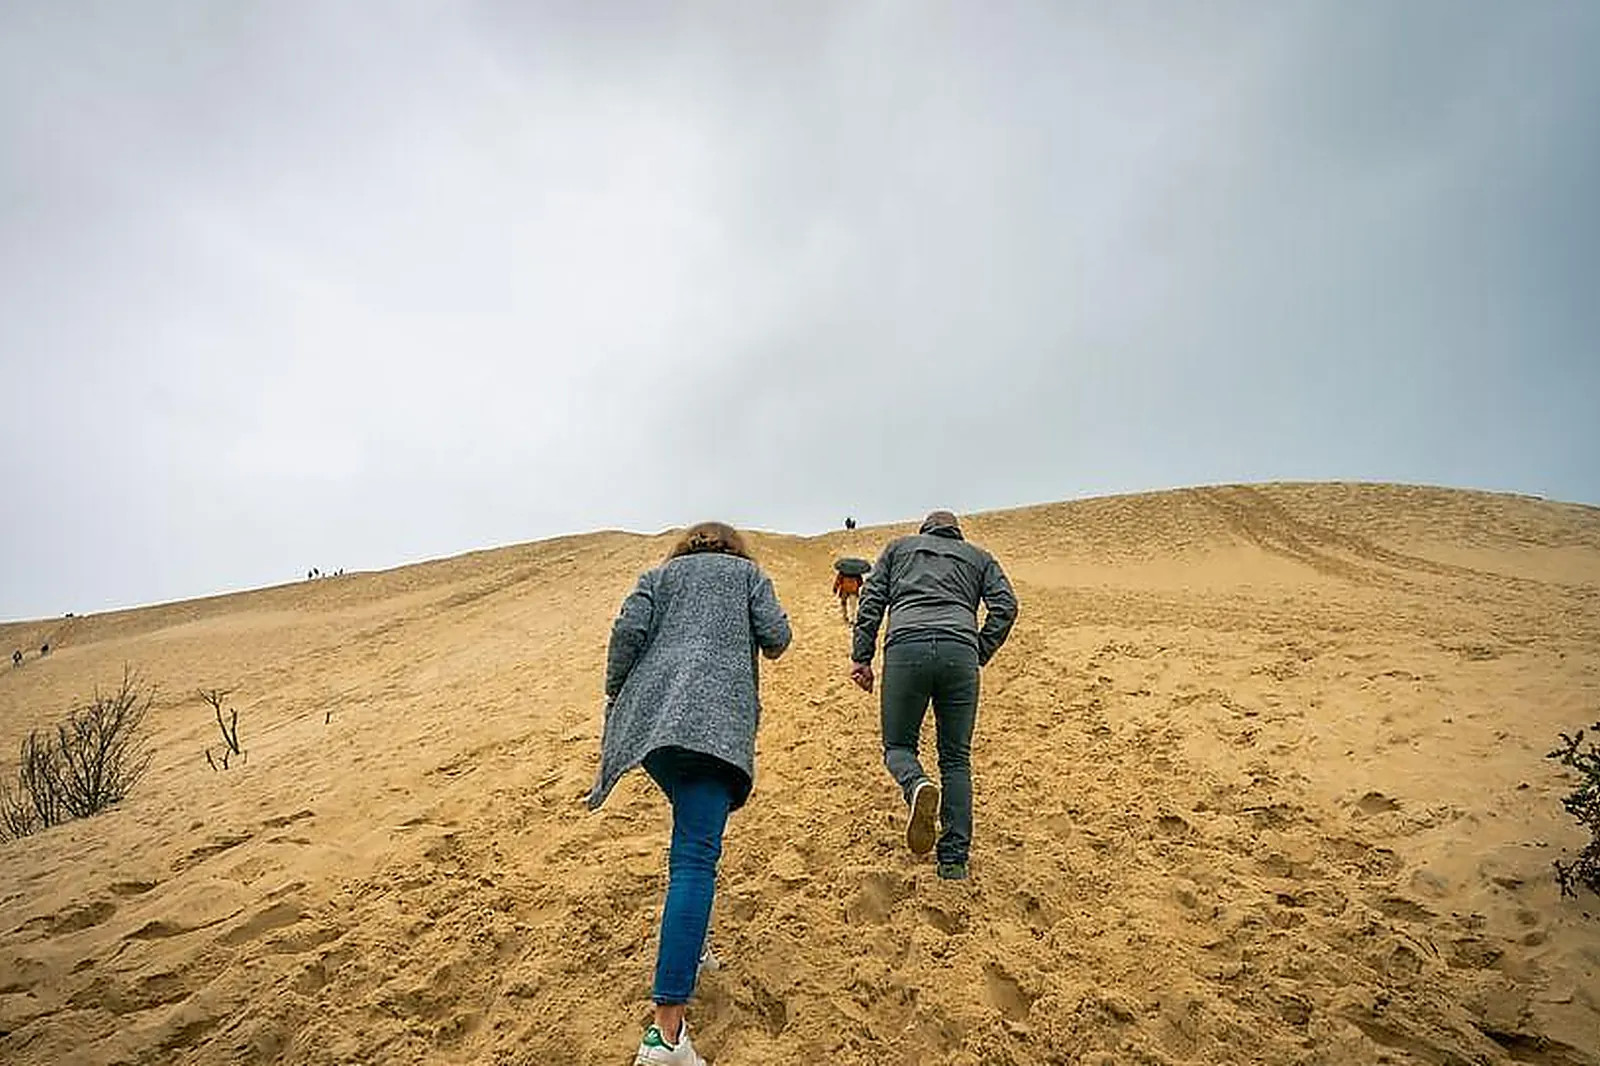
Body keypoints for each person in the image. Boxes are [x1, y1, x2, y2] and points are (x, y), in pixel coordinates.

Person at [589, 521, 791, 1065]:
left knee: (689, 840)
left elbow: (625, 633)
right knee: (695, 861)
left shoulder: (657, 577)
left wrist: (617, 694)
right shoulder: (748, 576)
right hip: (715, 729)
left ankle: (693, 947)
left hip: (656, 730)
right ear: (734, 549)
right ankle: (666, 1036)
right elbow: (777, 639)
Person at [849, 510, 1017, 881]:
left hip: (906, 648)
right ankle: (953, 861)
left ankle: (916, 785)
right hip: (960, 653)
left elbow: (870, 602)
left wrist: (862, 657)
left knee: (898, 747)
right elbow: (1006, 607)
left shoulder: (898, 549)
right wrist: (979, 650)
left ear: (925, 530)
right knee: (956, 759)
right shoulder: (980, 557)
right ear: (957, 533)